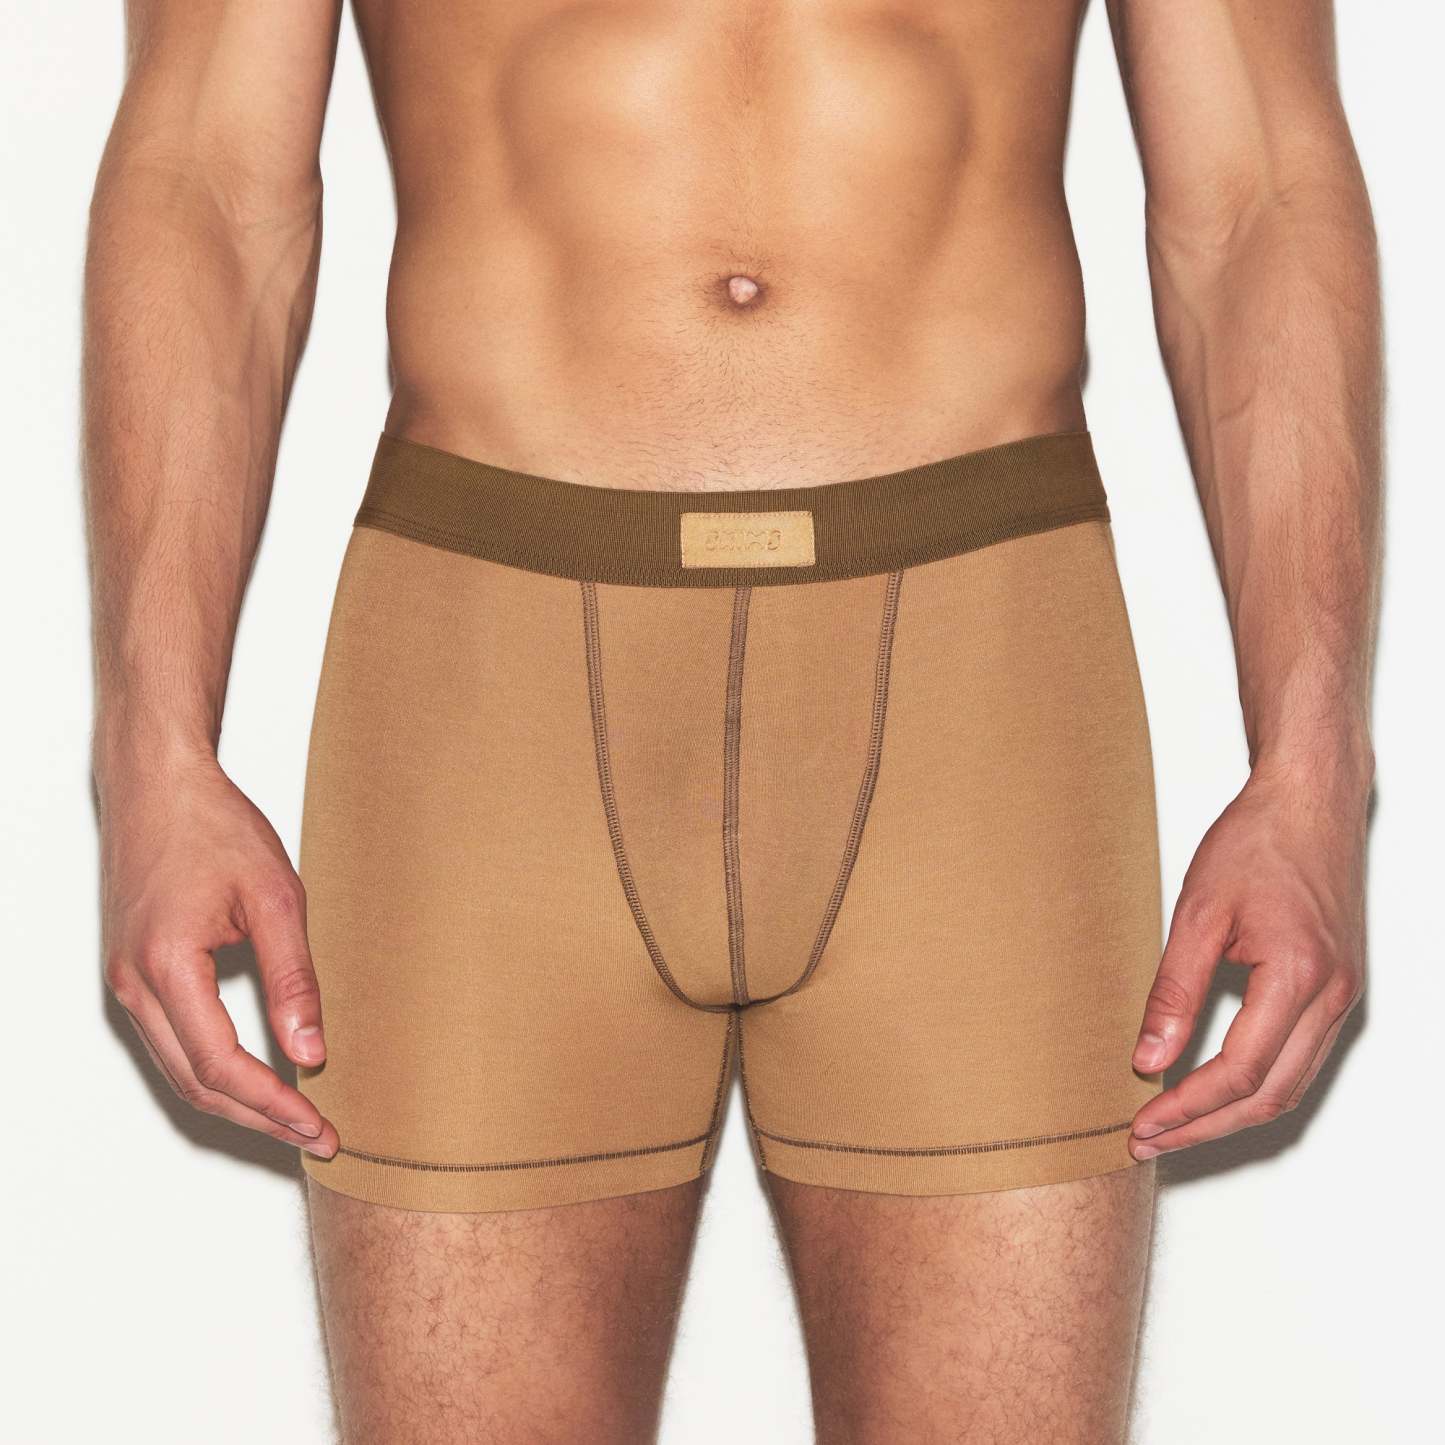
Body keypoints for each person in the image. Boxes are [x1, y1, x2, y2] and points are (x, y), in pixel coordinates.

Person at [84, 2, 1379, 1440]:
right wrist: (152, 746)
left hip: (983, 688)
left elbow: (1257, 190)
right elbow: (206, 174)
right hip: (483, 695)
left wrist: (1313, 758)